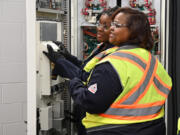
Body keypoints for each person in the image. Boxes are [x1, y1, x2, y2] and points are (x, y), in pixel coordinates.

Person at [67, 7, 172, 135]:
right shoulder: (149, 59)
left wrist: (74, 84)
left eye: (116, 25)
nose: (111, 28)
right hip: (153, 128)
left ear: (134, 31)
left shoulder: (113, 64)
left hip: (114, 131)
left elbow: (91, 103)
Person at [43, 6, 120, 135]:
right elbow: (86, 67)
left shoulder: (114, 53)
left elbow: (87, 78)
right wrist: (68, 57)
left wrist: (61, 61)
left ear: (115, 29)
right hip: (87, 118)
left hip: (98, 125)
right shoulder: (103, 47)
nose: (99, 28)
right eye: (99, 24)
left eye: (105, 26)